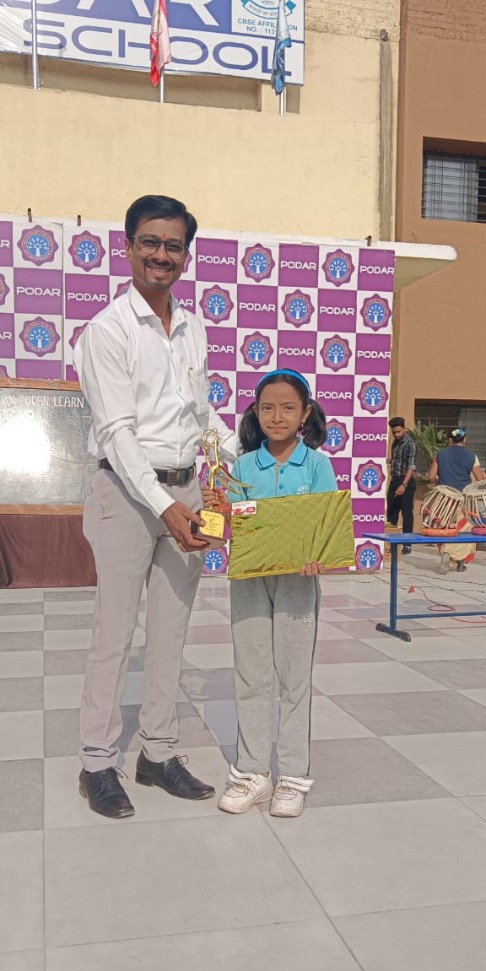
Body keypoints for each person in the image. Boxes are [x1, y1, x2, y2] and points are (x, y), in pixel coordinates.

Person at [74, 194, 237, 819]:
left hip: (187, 492)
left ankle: (158, 753)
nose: (161, 254)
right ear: (128, 247)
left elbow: (200, 416)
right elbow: (118, 433)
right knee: (113, 635)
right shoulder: (108, 331)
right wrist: (167, 508)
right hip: (125, 495)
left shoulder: (193, 327)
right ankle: (97, 762)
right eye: (150, 242)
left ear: (186, 256)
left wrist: (242, 461)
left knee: (171, 633)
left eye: (173, 245)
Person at [204, 369, 337, 819]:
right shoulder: (241, 466)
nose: (276, 416)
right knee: (252, 675)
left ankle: (293, 778)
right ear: (255, 412)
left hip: (298, 581)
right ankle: (253, 773)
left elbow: (324, 525)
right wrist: (217, 511)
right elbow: (229, 526)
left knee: (295, 679)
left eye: (287, 408)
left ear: (305, 413)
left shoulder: (317, 465)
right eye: (267, 408)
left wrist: (318, 554)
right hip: (249, 580)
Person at [428, 427, 482, 573]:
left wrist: (438, 484)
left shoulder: (440, 454)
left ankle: (446, 552)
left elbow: (431, 476)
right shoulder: (471, 456)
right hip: (463, 499)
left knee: (446, 527)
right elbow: (479, 479)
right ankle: (461, 562)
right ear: (464, 440)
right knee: (463, 529)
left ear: (450, 440)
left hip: (444, 498)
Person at [386, 416, 417, 554]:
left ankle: (407, 544)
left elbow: (411, 467)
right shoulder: (395, 442)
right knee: (391, 512)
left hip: (406, 481)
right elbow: (397, 459)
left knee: (406, 512)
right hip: (395, 480)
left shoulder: (411, 444)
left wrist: (404, 485)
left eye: (398, 432)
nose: (396, 435)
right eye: (394, 432)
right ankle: (391, 543)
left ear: (404, 429)